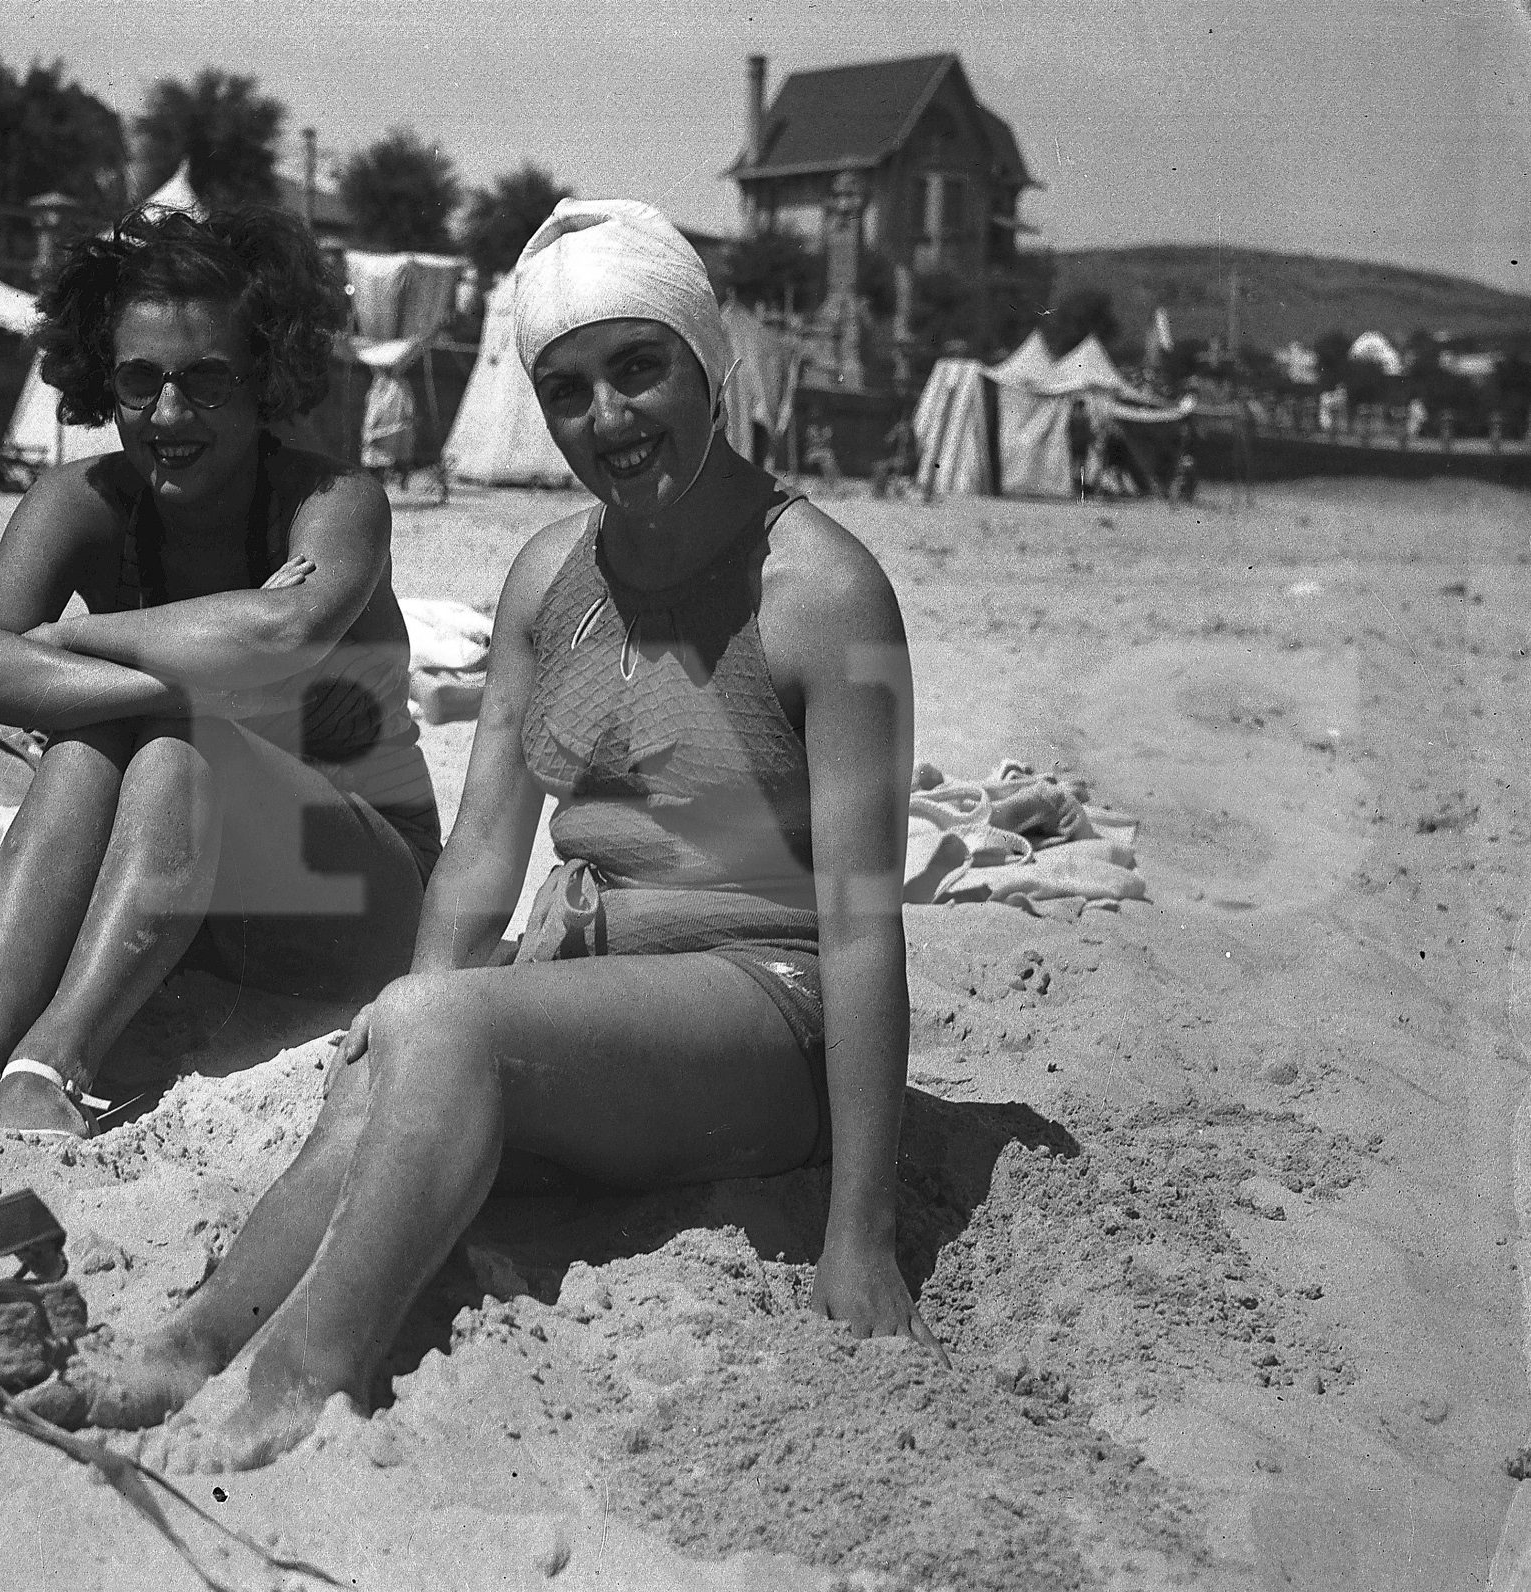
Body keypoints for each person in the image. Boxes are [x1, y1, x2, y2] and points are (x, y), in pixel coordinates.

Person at [78, 198, 939, 1472]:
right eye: (567, 389)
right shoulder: (550, 578)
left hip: (772, 1012)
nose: (609, 418)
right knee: (399, 1040)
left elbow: (865, 931)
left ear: (709, 360)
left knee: (440, 1022)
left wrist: (858, 1232)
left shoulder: (822, 591)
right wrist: (385, 1044)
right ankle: (192, 1344)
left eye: (639, 369)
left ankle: (302, 1379)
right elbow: (481, 860)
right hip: (599, 1001)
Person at [0, 206, 442, 1137]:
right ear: (100, 381)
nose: (169, 414)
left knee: (173, 749)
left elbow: (285, 627)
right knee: (92, 748)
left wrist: (77, 640)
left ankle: (57, 1056)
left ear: (263, 380)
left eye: (206, 382)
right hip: (187, 902)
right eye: (139, 380)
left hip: (357, 890)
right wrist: (206, 676)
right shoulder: (79, 502)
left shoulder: (333, 503)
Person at [1066, 399, 1094, 500]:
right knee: (1080, 467)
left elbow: (1069, 432)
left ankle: (1078, 489)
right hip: (1080, 445)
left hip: (1078, 445)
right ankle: (1079, 489)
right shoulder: (1084, 419)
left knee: (1077, 467)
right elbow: (1088, 432)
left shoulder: (1073, 418)